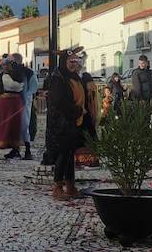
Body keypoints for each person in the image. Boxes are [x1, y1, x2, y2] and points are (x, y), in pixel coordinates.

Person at [43, 51, 93, 199]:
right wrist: (77, 110)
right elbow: (58, 102)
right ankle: (57, 187)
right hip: (61, 123)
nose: (73, 64)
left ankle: (70, 185)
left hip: (74, 122)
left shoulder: (74, 77)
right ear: (64, 62)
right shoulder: (58, 79)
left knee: (70, 154)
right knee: (63, 154)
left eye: (75, 61)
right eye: (70, 62)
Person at [0, 60, 29, 160]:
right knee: (0, 125)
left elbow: (25, 73)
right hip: (5, 103)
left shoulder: (16, 75)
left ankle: (14, 150)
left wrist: (13, 65)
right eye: (4, 65)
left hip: (13, 103)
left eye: (7, 65)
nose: (5, 67)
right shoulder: (2, 76)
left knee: (13, 126)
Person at [12, 53, 40, 160]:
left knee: (23, 126)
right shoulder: (24, 72)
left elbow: (33, 87)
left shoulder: (27, 72)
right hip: (18, 101)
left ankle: (25, 150)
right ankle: (17, 150)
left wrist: (27, 97)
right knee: (18, 126)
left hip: (23, 102)